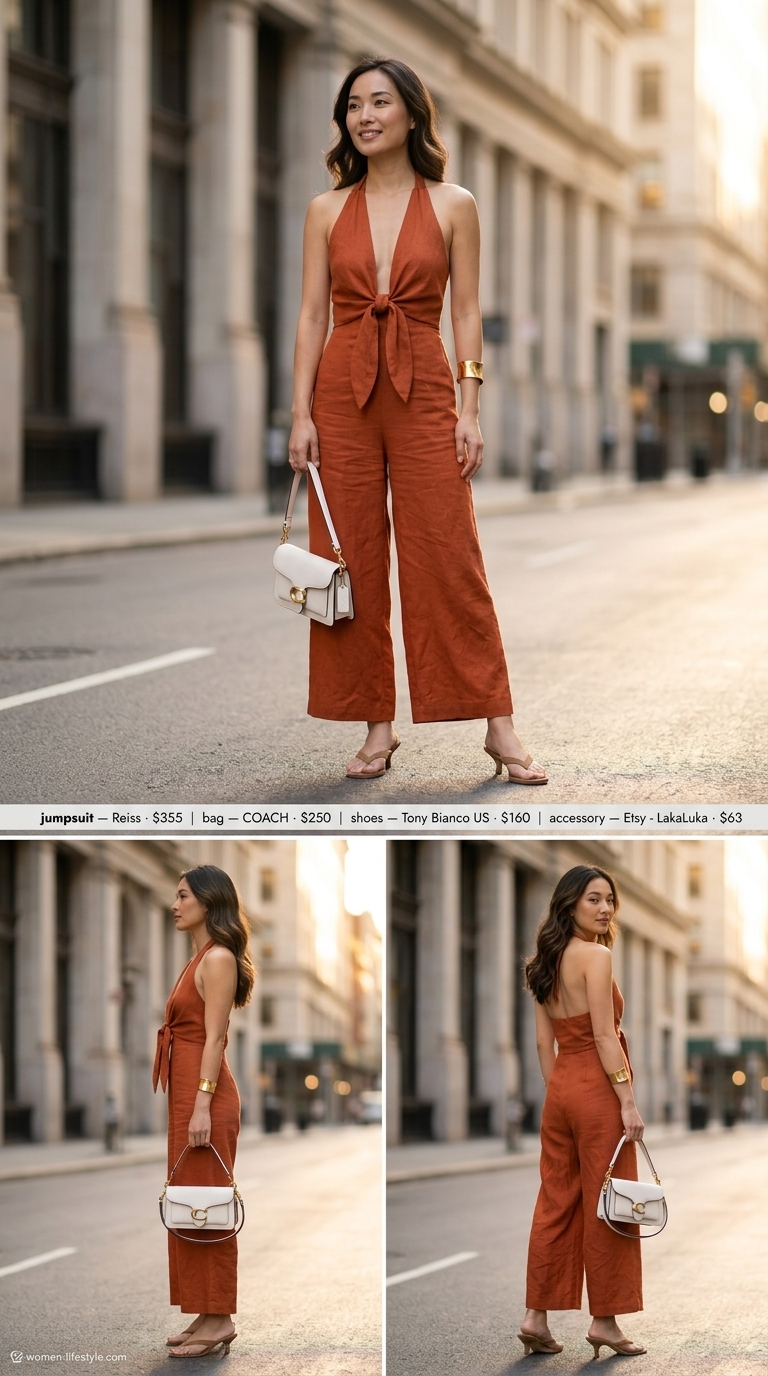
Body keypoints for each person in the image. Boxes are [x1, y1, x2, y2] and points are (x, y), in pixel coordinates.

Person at [288, 57, 547, 785]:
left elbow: (465, 312)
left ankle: (498, 723)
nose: (364, 116)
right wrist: (299, 413)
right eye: (353, 106)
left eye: (379, 102)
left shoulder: (454, 203)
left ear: (411, 113)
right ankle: (376, 726)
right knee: (349, 562)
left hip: (425, 386)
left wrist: (471, 408)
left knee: (448, 554)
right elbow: (310, 316)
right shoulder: (325, 209)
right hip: (341, 393)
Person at [518, 866, 647, 1359]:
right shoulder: (597, 956)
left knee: (555, 1201)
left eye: (609, 900)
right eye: (593, 899)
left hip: (561, 1091)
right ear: (569, 904)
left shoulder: (542, 964)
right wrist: (627, 1101)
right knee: (612, 1202)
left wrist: (560, 1094)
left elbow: (542, 1043)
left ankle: (535, 1317)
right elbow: (604, 1036)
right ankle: (605, 1322)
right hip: (597, 1091)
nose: (605, 908)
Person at [153, 865, 255, 1359]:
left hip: (204, 1098)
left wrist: (201, 1106)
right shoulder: (199, 956)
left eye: (183, 896)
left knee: (208, 1209)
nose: (174, 905)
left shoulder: (217, 958)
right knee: (190, 1206)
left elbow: (215, 1038)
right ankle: (204, 1310)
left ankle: (220, 1318)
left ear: (209, 901)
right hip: (189, 1096)